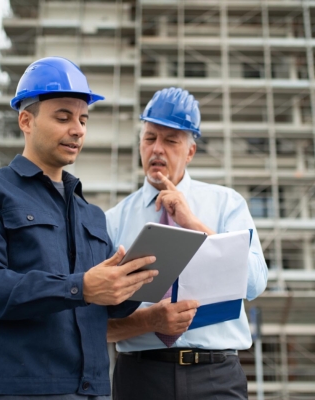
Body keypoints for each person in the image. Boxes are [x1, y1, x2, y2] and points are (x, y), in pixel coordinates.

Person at [0, 57, 158, 400]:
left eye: (83, 120)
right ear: (26, 120)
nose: (77, 129)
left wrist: (139, 282)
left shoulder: (92, 215)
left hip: (92, 391)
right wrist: (81, 288)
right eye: (63, 117)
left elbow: (102, 306)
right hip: (15, 390)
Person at [106, 87, 268, 400]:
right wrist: (151, 320)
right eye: (150, 137)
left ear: (190, 152)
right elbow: (98, 323)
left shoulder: (226, 204)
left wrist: (192, 224)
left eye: (170, 140)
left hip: (216, 376)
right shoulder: (113, 221)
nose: (157, 149)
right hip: (140, 378)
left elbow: (254, 284)